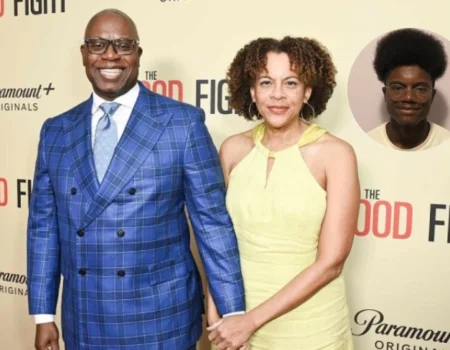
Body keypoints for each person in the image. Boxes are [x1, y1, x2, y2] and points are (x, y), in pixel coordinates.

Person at [26, 8, 245, 350]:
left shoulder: (181, 124)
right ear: (84, 55)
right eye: (98, 45)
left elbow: (212, 224)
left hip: (161, 319)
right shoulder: (55, 131)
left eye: (123, 45)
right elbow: (43, 226)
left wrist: (233, 312)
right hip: (85, 318)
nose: (110, 55)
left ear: (138, 54)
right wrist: (43, 315)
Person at [206, 37, 360, 349]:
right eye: (266, 82)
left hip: (309, 328)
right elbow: (216, 243)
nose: (277, 94)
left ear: (308, 91)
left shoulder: (335, 154)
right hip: (235, 320)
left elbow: (332, 262)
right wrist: (217, 320)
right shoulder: (233, 150)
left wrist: (249, 322)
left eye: (291, 82)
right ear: (251, 91)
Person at [368, 28, 450, 150]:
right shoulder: (366, 144)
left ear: (432, 96)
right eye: (398, 88)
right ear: (385, 94)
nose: (409, 97)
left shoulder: (445, 142)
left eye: (420, 89)